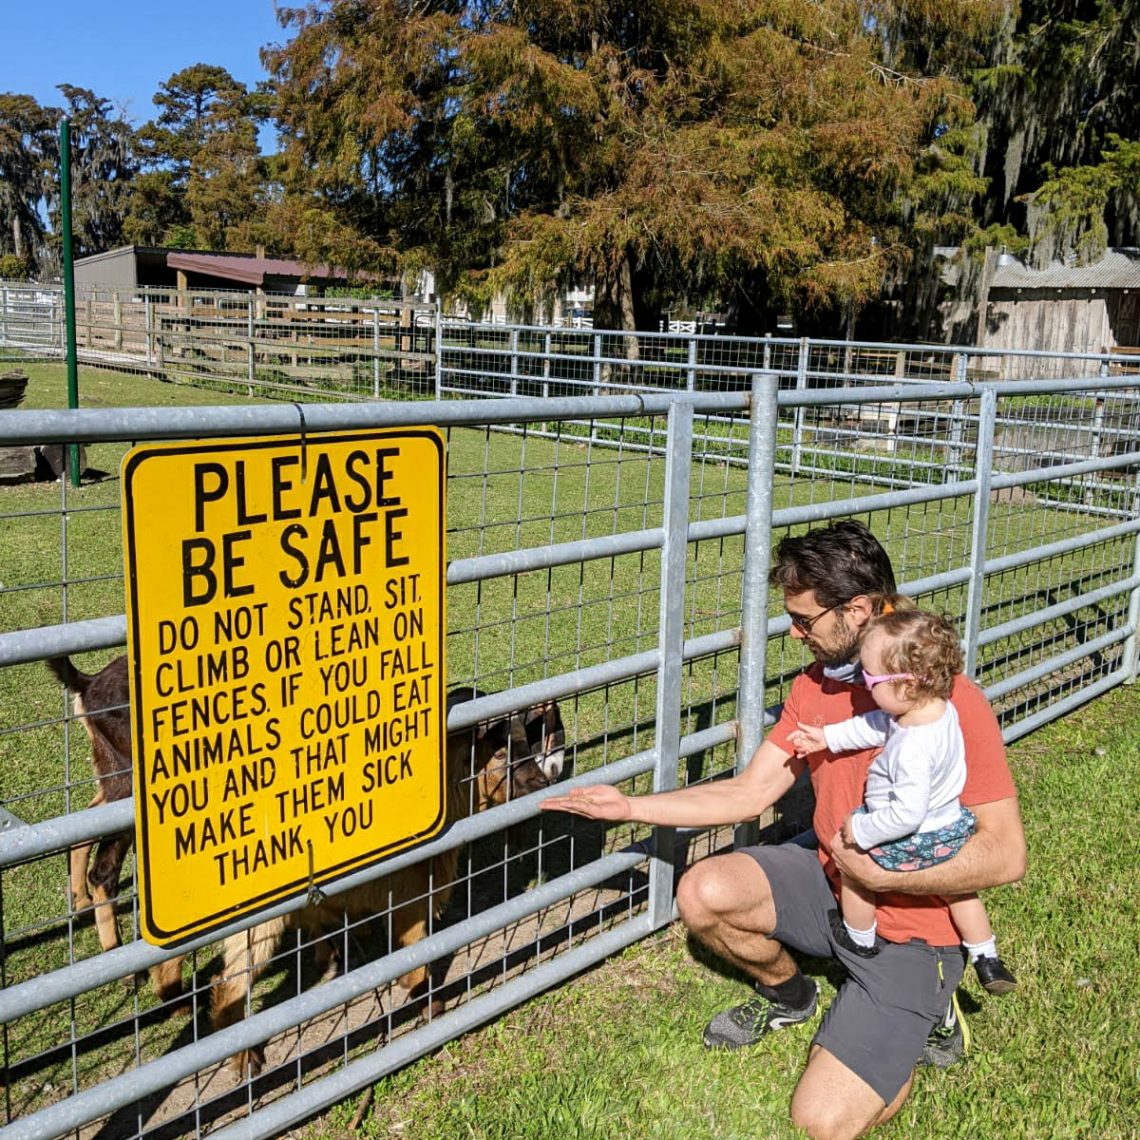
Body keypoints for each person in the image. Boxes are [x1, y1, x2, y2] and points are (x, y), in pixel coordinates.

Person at [540, 520, 1026, 1140]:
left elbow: (1005, 855)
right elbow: (749, 794)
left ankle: (932, 1007)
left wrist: (885, 876)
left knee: (820, 1120)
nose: (795, 633)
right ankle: (792, 996)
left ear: (856, 610)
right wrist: (630, 807)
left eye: (804, 619)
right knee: (704, 891)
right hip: (834, 882)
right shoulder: (813, 688)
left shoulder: (949, 705)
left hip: (916, 927)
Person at [788, 607, 1017, 994]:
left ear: (906, 684)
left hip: (909, 835)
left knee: (852, 870)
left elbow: (907, 814)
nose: (864, 685)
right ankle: (986, 956)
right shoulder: (939, 711)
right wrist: (827, 738)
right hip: (948, 830)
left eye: (869, 677)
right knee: (959, 892)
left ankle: (860, 940)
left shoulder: (912, 748)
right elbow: (879, 725)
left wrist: (860, 829)